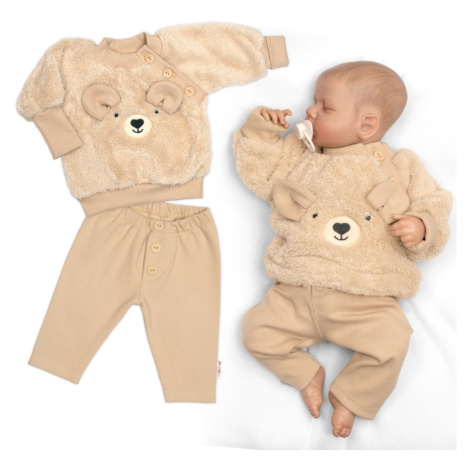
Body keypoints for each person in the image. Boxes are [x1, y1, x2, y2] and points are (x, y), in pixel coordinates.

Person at [233, 61, 452, 437]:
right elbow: (260, 172)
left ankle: (351, 397)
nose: (309, 110)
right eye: (314, 101)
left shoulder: (399, 166)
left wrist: (422, 227)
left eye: (325, 106)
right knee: (256, 331)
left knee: (392, 342)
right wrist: (260, 132)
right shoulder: (300, 156)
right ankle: (305, 374)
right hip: (296, 292)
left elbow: (434, 204)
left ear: (366, 125)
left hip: (368, 298)